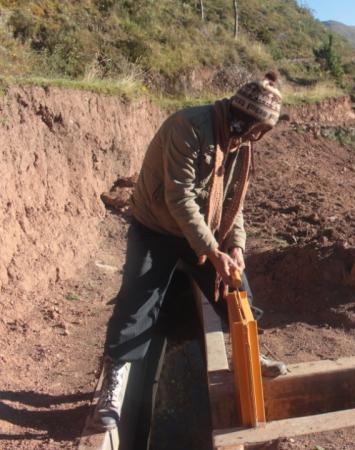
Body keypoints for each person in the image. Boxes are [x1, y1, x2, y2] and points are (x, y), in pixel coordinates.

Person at [94, 72, 287, 431]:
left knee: (236, 288)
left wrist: (236, 246)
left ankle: (247, 354)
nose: (257, 137)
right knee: (138, 301)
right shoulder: (189, 126)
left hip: (201, 228)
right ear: (244, 117)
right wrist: (213, 251)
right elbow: (179, 197)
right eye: (258, 129)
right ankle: (114, 384)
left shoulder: (238, 142)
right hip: (155, 227)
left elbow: (233, 200)